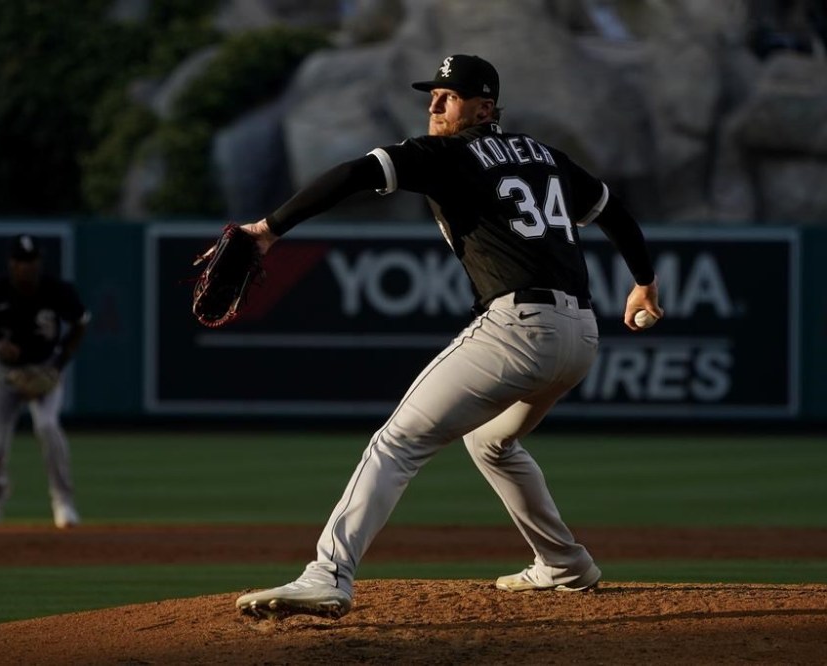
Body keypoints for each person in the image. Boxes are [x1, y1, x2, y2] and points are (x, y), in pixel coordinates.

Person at [235, 54, 663, 619]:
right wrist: (644, 284)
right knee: (491, 441)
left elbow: (353, 174)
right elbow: (614, 212)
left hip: (519, 330)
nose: (434, 103)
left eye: (449, 95)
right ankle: (564, 563)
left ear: (484, 107)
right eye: (432, 94)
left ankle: (328, 574)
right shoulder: (545, 156)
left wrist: (267, 230)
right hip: (580, 336)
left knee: (396, 442)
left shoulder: (446, 153)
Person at [0, 234, 90, 528]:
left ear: (39, 263)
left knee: (47, 426)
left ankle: (63, 501)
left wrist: (58, 365)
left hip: (44, 368)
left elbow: (81, 323)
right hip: (4, 374)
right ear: (12, 263)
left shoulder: (56, 291)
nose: (27, 268)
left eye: (32, 262)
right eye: (21, 262)